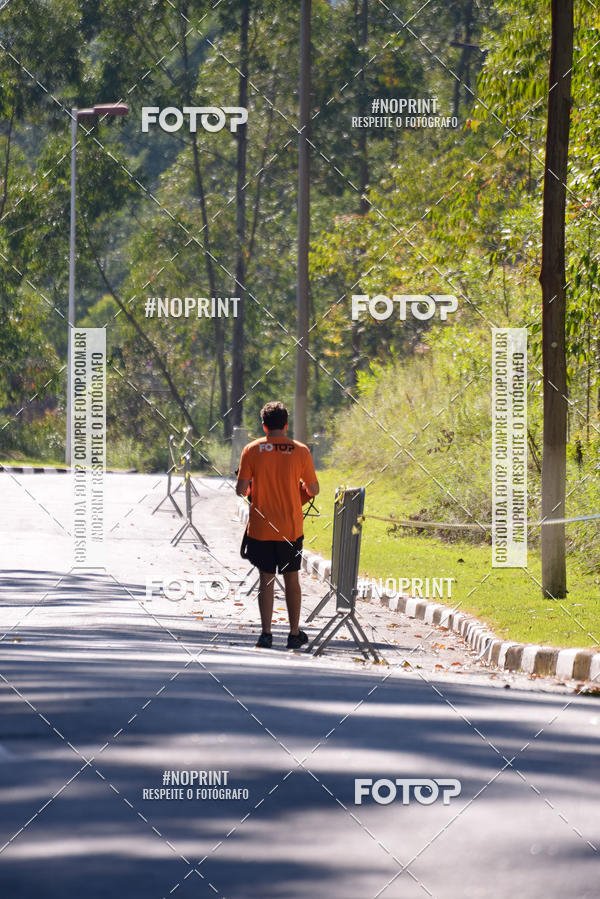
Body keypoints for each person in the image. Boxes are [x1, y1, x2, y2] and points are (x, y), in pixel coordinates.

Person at [236, 401, 319, 649]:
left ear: (264, 426)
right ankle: (293, 634)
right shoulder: (301, 451)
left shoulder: (251, 450)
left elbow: (241, 490)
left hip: (261, 529)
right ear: (286, 425)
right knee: (292, 579)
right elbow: (313, 489)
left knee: (266, 579)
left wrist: (253, 487)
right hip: (290, 529)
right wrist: (298, 491)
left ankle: (266, 634)